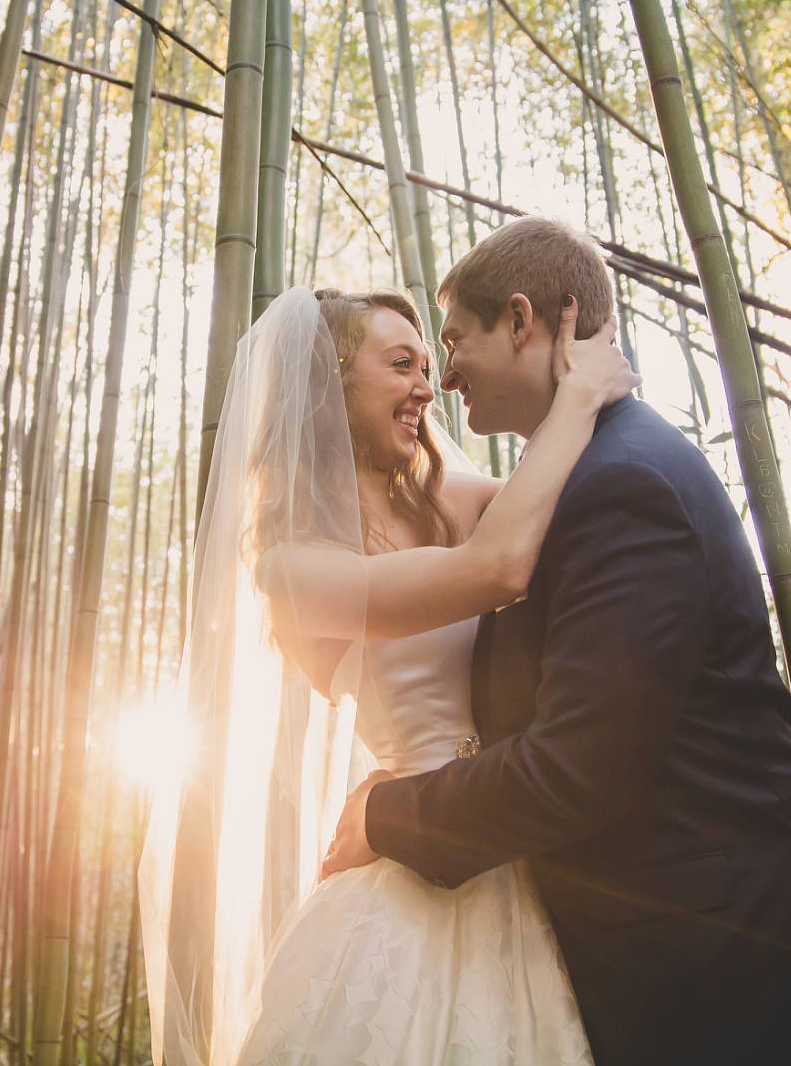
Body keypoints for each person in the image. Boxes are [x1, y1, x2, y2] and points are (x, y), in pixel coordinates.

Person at [321, 218, 791, 1064]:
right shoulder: (568, 479)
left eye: (453, 342)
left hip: (729, 964)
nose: (443, 377)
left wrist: (387, 813)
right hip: (661, 948)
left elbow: (574, 769)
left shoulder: (622, 484)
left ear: (521, 321)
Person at [139, 273, 635, 1065]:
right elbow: (499, 567)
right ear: (331, 381)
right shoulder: (292, 566)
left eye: (427, 369)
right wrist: (574, 406)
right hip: (413, 859)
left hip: (513, 828)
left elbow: (555, 508)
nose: (426, 389)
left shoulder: (445, 499)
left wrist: (572, 379)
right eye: (401, 365)